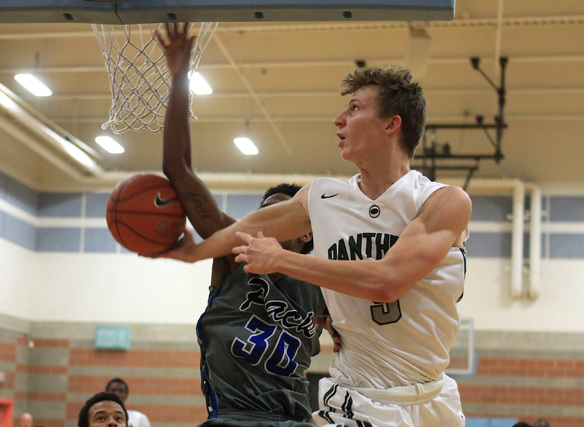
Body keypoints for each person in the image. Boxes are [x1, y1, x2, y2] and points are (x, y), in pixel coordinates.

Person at [151, 24, 472, 427]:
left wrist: (284, 263)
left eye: (354, 109)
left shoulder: (442, 201)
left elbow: (386, 281)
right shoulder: (321, 197)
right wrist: (192, 251)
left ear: (392, 125)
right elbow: (244, 224)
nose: (339, 119)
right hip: (352, 395)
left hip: (429, 397)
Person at [155, 23, 327, 426]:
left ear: (306, 231)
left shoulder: (326, 281)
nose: (264, 222)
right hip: (233, 418)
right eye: (261, 212)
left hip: (295, 419)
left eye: (279, 214)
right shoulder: (235, 254)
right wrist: (180, 78)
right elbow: (176, 168)